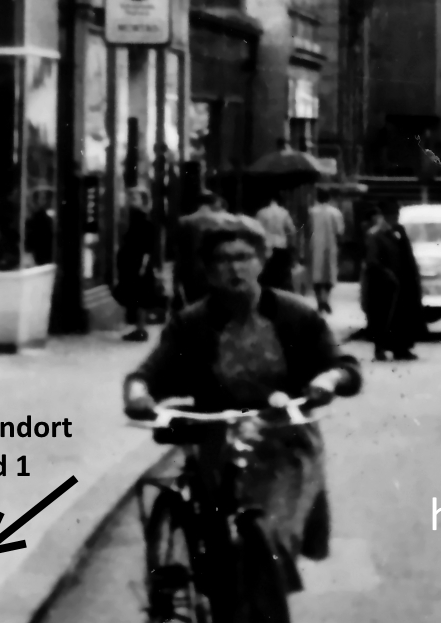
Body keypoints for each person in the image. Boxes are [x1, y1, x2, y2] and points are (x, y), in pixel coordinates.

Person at [122, 214, 362, 599]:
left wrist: (327, 381)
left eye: (243, 257)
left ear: (262, 261)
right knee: (217, 547)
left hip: (286, 444)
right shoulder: (192, 324)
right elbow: (149, 373)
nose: (234, 268)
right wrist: (137, 394)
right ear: (207, 270)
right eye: (221, 260)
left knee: (271, 537)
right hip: (219, 440)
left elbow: (342, 365)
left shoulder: (294, 316)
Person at [359, 204, 425, 362]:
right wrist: (387, 274)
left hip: (401, 281)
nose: (394, 218)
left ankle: (401, 348)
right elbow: (372, 261)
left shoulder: (398, 231)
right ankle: (380, 348)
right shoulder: (376, 234)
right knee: (382, 317)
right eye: (391, 215)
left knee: (401, 317)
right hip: (383, 284)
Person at [116, 188, 164, 342]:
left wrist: (143, 266)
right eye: (129, 197)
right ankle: (139, 328)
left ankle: (141, 329)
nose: (130, 201)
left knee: (139, 296)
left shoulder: (143, 219)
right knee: (136, 296)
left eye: (134, 198)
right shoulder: (129, 217)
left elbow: (147, 247)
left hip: (137, 263)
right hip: (131, 262)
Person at [173, 192, 231, 308]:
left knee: (193, 304)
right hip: (212, 267)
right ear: (215, 203)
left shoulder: (183, 221)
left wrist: (176, 275)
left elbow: (178, 251)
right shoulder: (221, 221)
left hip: (188, 268)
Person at [306, 192, 345, 315]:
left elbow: (307, 230)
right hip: (330, 246)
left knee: (316, 275)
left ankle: (319, 301)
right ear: (329, 198)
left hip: (315, 246)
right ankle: (326, 300)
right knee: (329, 274)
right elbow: (340, 231)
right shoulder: (335, 212)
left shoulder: (311, 212)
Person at [255, 190, 300, 293]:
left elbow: (256, 230)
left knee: (266, 274)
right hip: (281, 246)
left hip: (266, 246)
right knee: (281, 274)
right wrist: (292, 246)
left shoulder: (261, 213)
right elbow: (291, 231)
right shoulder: (284, 212)